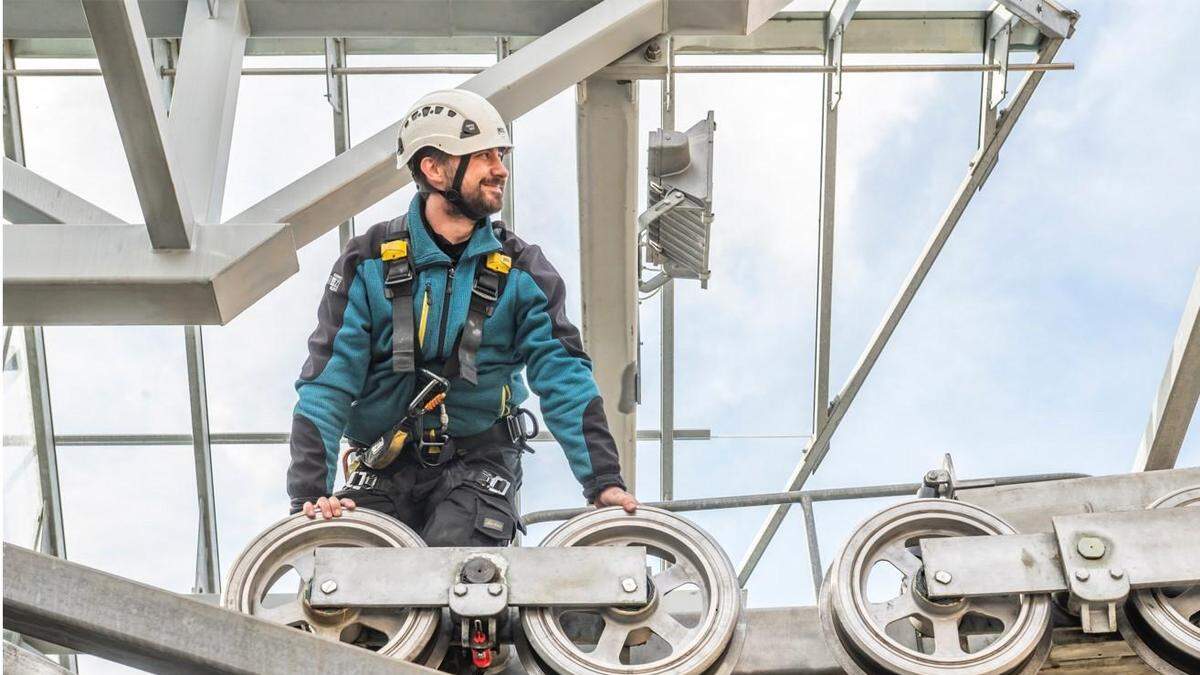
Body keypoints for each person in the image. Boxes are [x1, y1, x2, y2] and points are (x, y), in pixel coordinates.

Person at [286, 89, 638, 549]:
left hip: (479, 463)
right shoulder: (366, 264)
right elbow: (328, 381)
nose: (501, 169)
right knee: (354, 578)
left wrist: (604, 481)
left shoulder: (523, 272)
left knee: (464, 573)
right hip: (381, 466)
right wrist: (309, 496)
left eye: (501, 154)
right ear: (434, 168)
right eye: (485, 156)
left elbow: (563, 374)